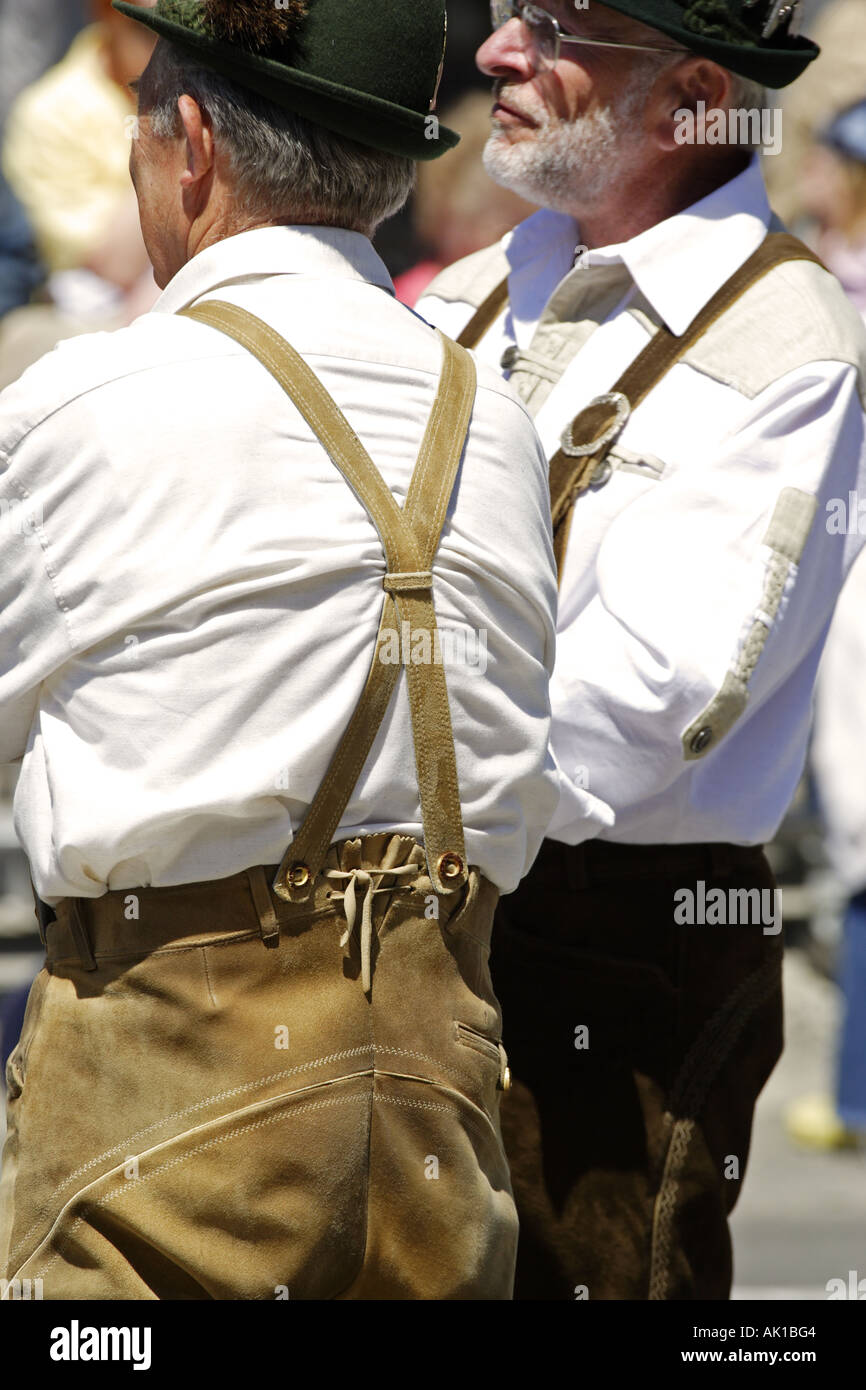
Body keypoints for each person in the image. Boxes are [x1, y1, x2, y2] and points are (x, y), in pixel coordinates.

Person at [0, 0, 558, 1301]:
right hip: (443, 1086)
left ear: (188, 144)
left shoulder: (84, 407)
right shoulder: (502, 422)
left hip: (168, 1100)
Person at [419, 0, 866, 1300]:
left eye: (553, 28)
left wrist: (355, 719)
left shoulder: (785, 347)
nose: (497, 52)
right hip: (437, 915)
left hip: (603, 960)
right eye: (507, 13)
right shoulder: (476, 287)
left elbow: (648, 705)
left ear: (692, 93)